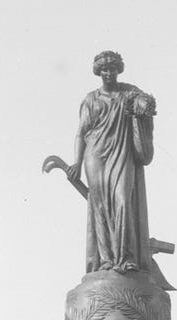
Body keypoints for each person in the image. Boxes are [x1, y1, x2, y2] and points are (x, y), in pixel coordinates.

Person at [67, 51, 156, 276]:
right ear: (98, 72)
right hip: (95, 154)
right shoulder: (90, 100)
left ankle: (125, 258)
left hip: (121, 152)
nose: (108, 73)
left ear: (119, 70)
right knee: (99, 204)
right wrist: (76, 162)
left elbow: (144, 103)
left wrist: (143, 106)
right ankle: (106, 260)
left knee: (123, 200)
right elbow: (81, 133)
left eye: (112, 68)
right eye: (104, 69)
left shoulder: (129, 93)